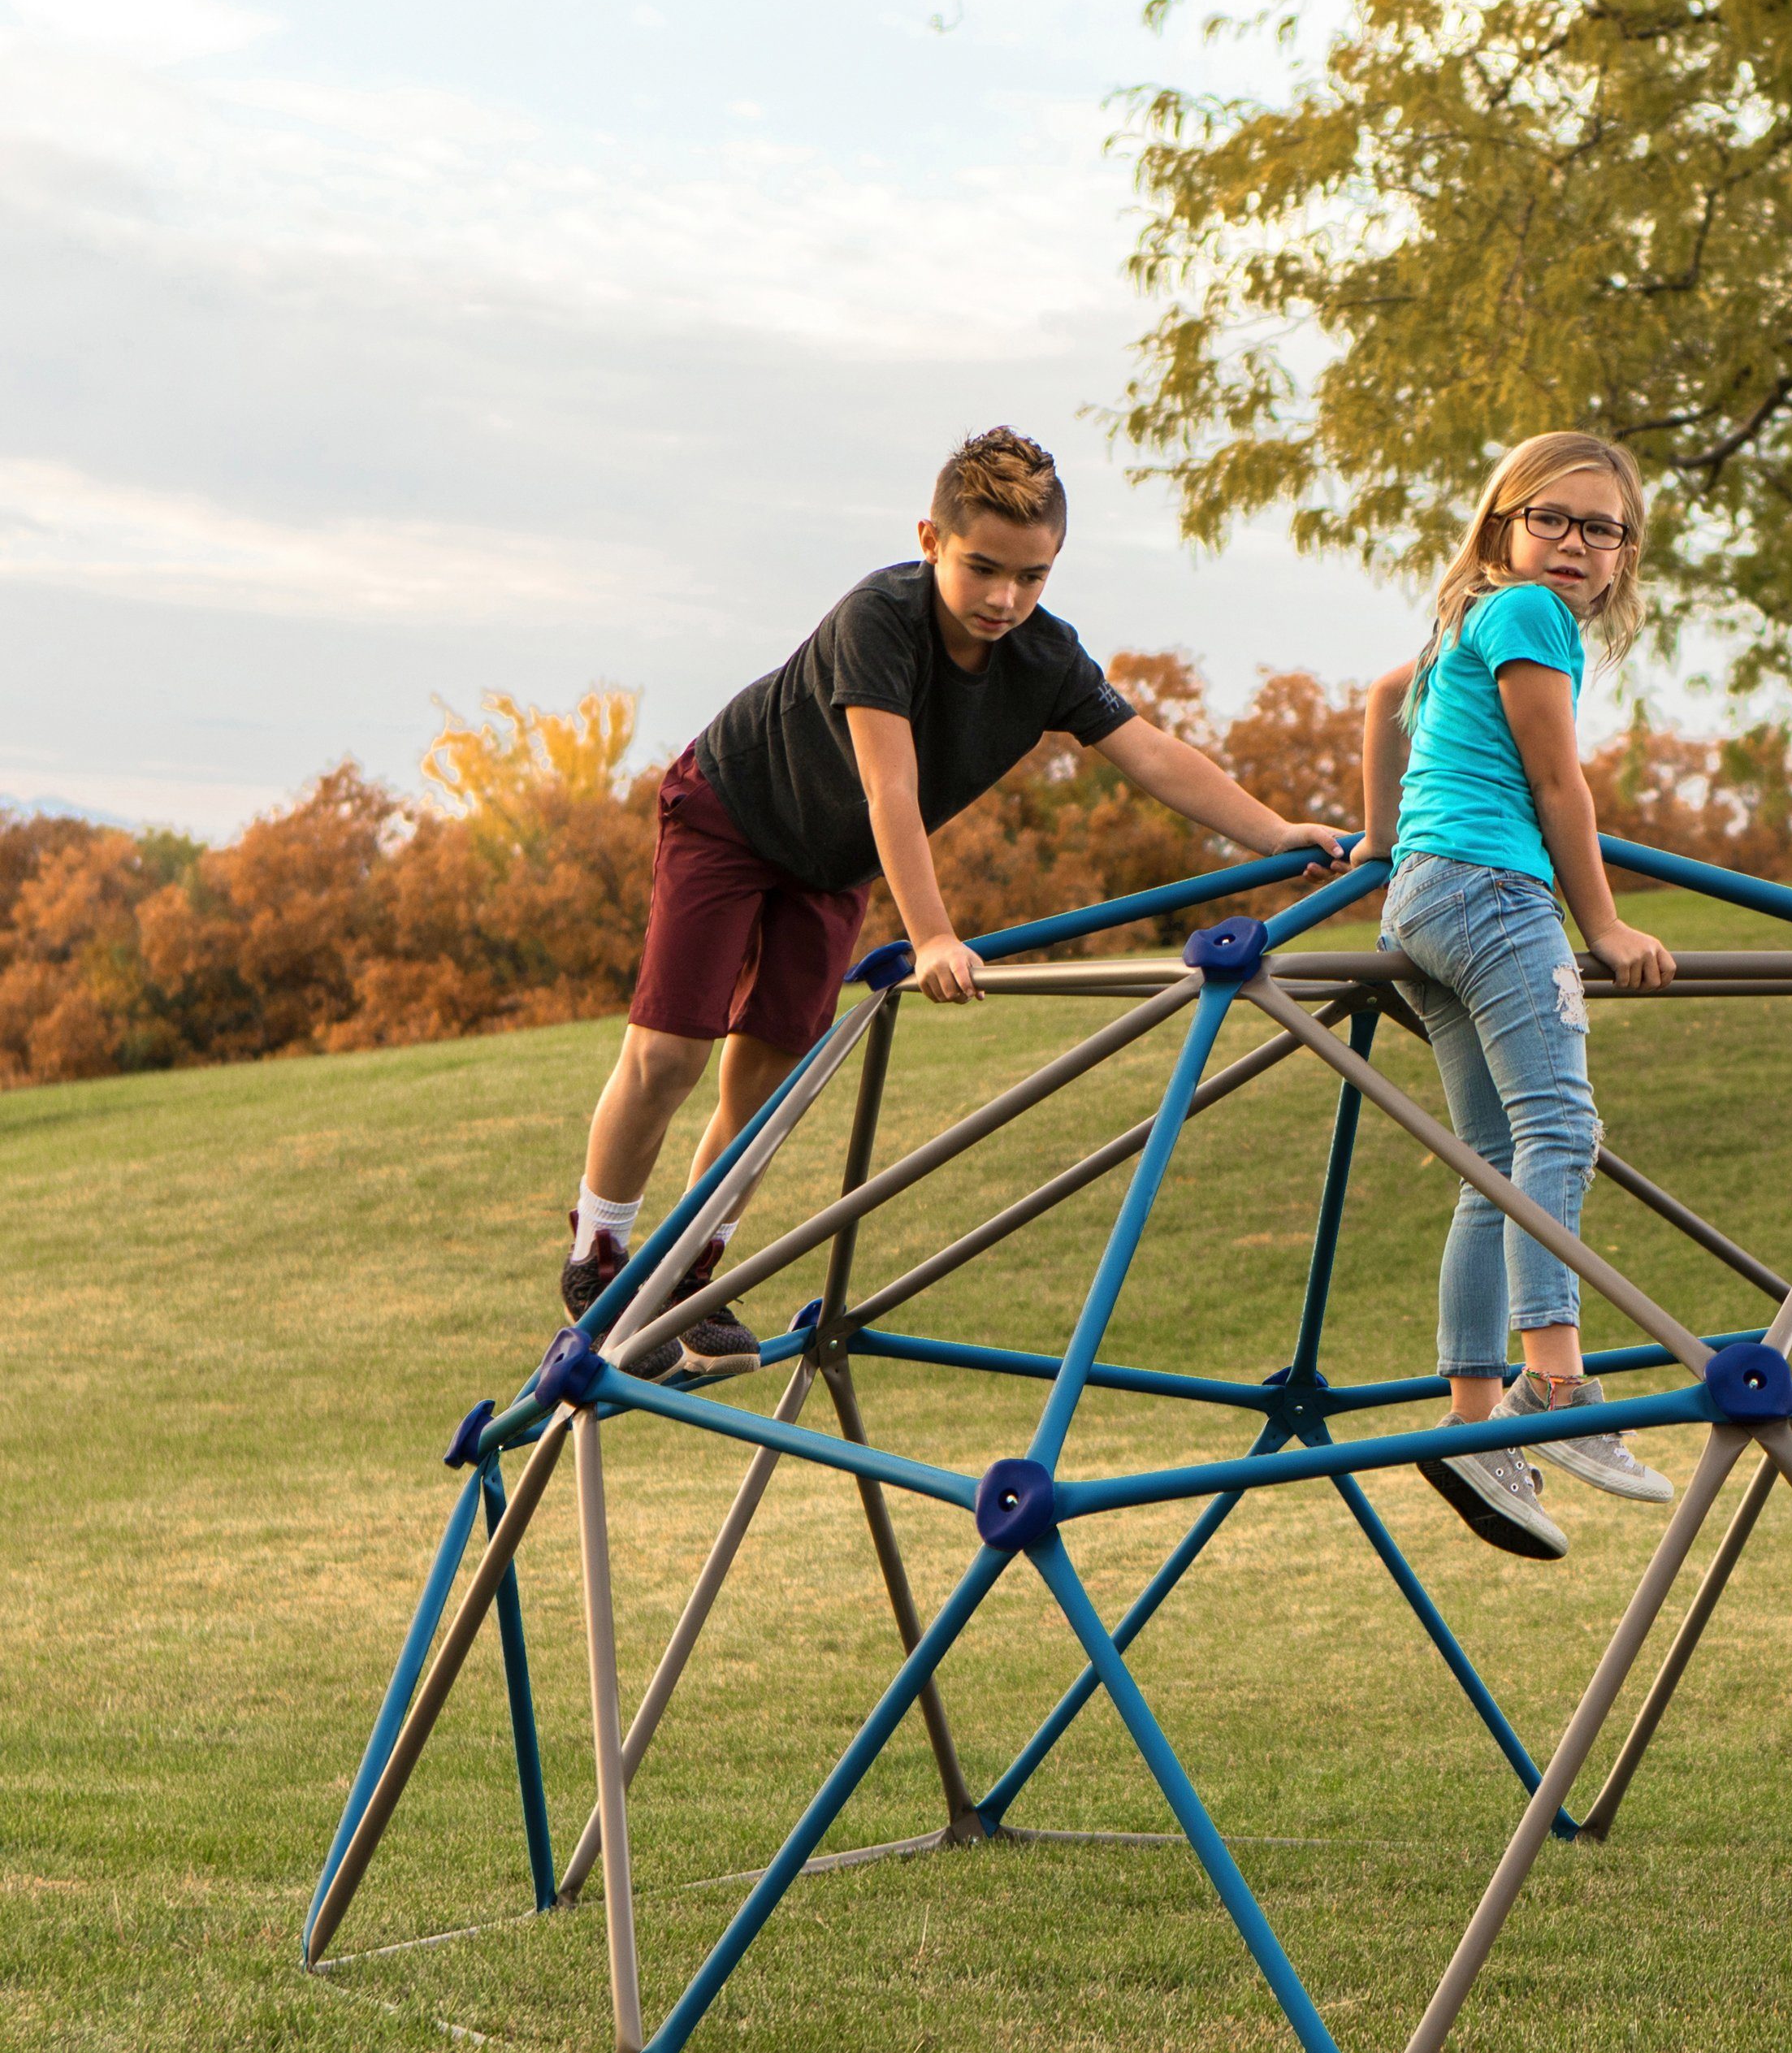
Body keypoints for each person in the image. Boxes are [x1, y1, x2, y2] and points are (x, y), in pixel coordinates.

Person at [561, 427, 1344, 1375]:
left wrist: (1271, 834)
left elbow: (1150, 752)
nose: (1006, 599)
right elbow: (892, 787)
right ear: (930, 539)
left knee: (767, 1087)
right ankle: (599, 1257)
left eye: (1033, 577)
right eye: (982, 568)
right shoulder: (878, 620)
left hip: (832, 864)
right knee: (674, 1050)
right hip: (731, 812)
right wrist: (932, 934)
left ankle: (684, 1273)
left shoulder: (1045, 658)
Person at [1360, 430, 1682, 1561]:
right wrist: (1604, 924)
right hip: (1497, 892)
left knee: (1489, 1162)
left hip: (1426, 898)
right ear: (1503, 523)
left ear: (1625, 554)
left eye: (1603, 529)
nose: (1576, 545)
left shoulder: (1462, 618)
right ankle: (1555, 1385)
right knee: (1562, 1125)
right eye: (1552, 518)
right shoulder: (1529, 615)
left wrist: (1383, 847)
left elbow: (1388, 693)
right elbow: (1558, 782)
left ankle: (1470, 1426)